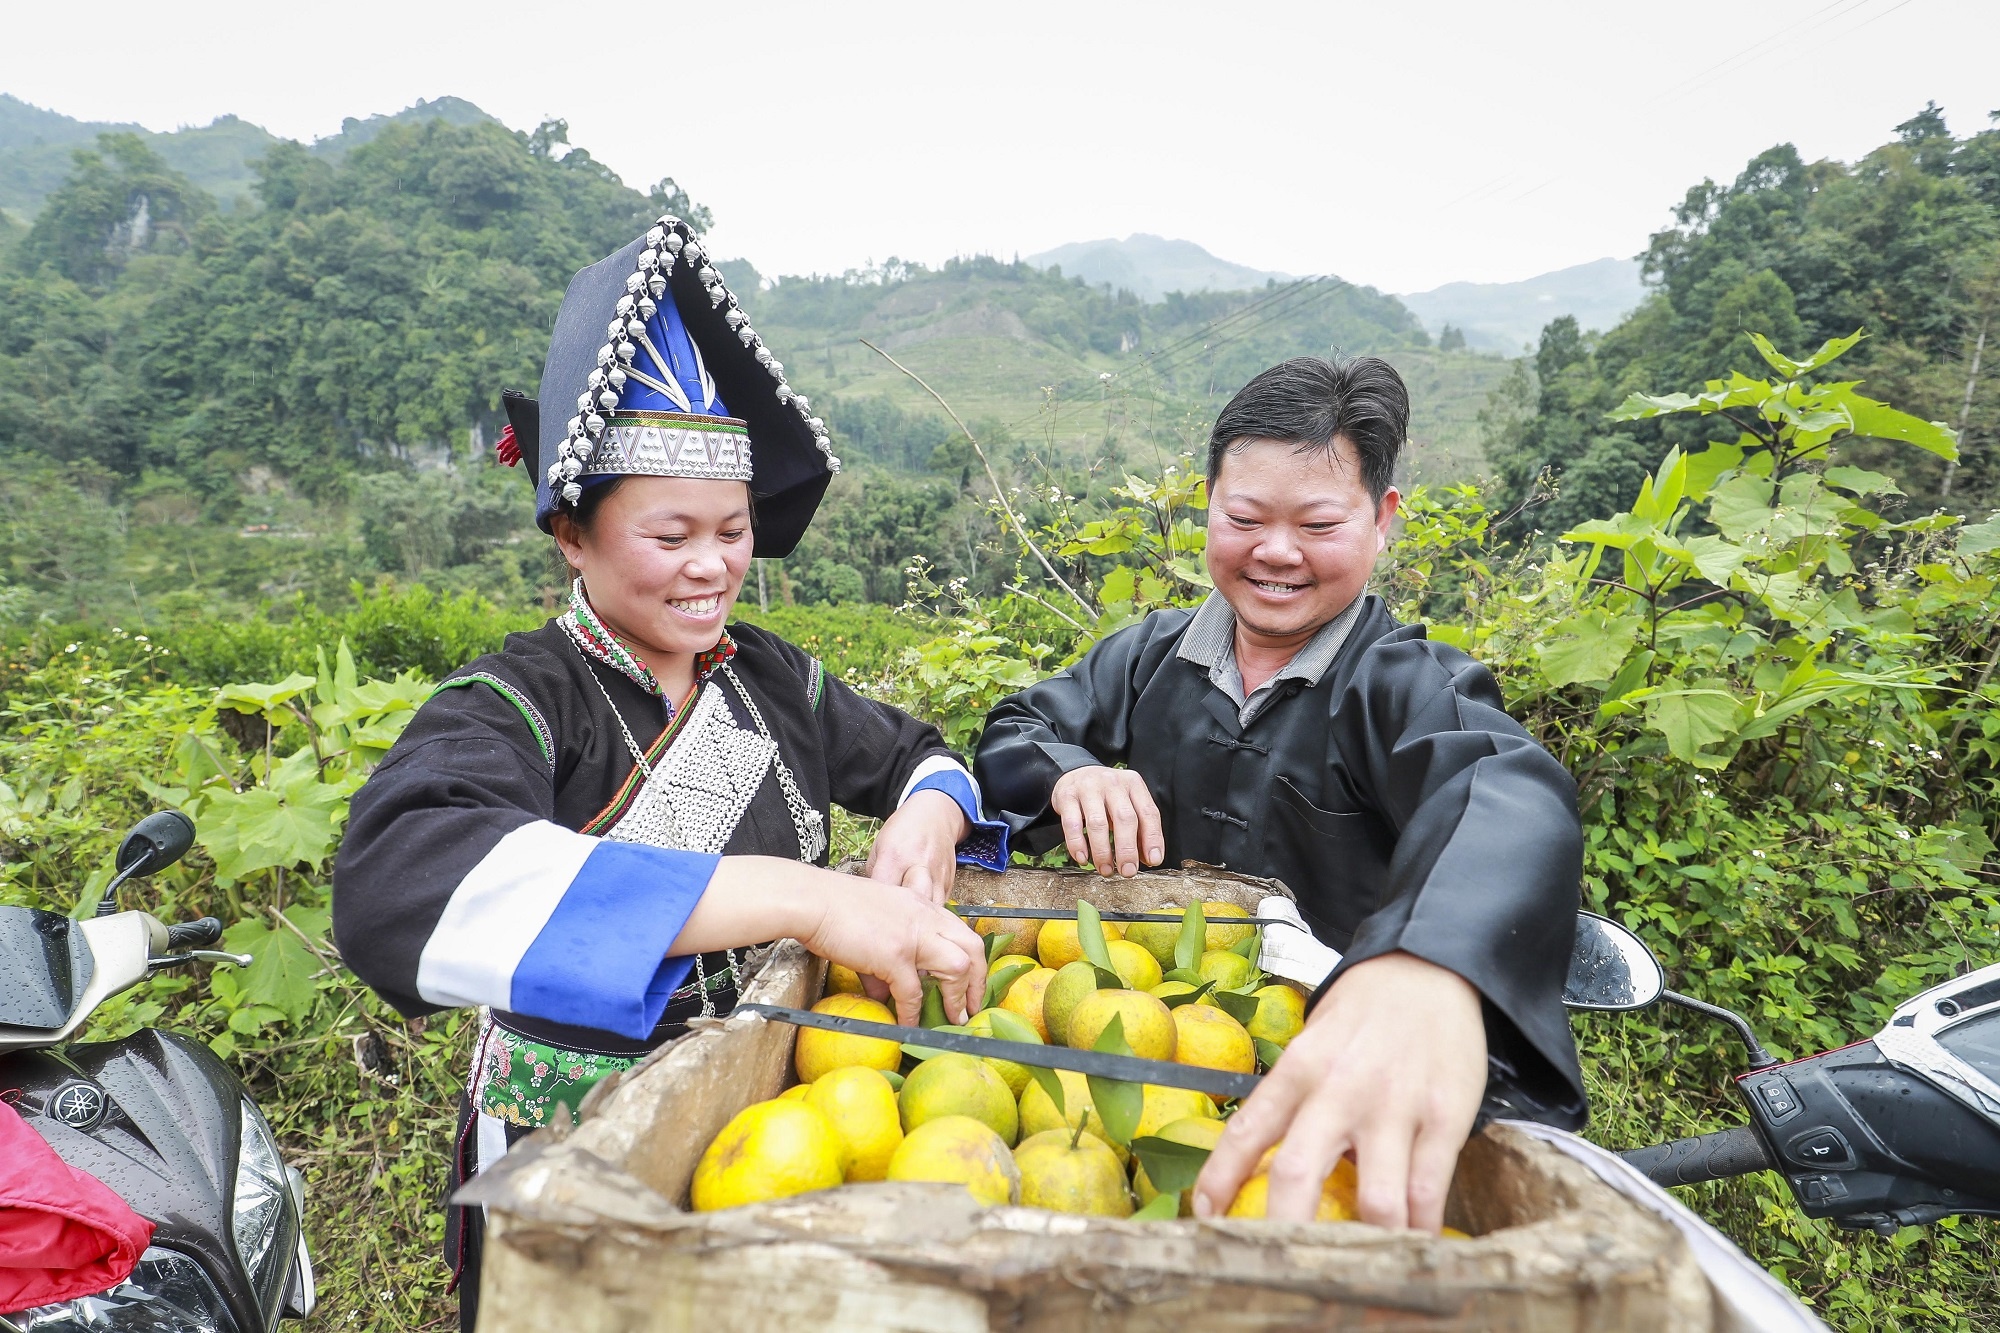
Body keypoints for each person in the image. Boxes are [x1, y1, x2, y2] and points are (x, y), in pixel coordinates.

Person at [331, 213, 1005, 1326]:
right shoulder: (519, 699)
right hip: (576, 1150)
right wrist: (808, 898)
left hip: (780, 1125)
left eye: (732, 532)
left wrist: (928, 812)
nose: (711, 568)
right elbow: (403, 877)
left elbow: (922, 755)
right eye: (669, 535)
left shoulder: (774, 677)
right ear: (572, 534)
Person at [973, 355, 1585, 1230]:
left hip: (1332, 1081)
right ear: (1207, 507)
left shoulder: (1405, 685)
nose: (1277, 551)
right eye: (1245, 517)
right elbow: (1016, 729)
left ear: (1382, 520)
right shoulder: (1147, 658)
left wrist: (1430, 960)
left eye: (1319, 523)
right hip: (1127, 1060)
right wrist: (1070, 772)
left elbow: (1504, 788)